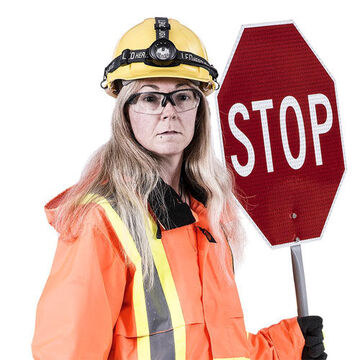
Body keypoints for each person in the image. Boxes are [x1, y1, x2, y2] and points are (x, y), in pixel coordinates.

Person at [31, 17, 327, 360]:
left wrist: (289, 347)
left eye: (182, 96)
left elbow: (214, 346)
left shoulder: (208, 215)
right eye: (150, 98)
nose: (168, 112)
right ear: (125, 112)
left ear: (199, 111)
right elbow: (67, 352)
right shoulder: (101, 220)